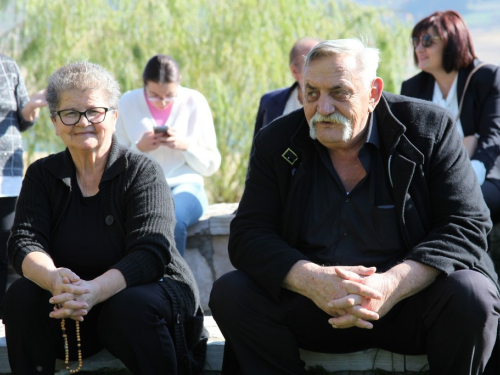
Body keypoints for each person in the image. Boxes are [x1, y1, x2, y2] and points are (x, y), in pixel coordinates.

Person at [209, 39, 500, 374]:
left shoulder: (430, 129)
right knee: (232, 293)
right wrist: (313, 279)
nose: (323, 108)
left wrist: (391, 284)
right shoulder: (276, 142)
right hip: (315, 306)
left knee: (471, 294)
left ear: (373, 93)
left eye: (339, 92)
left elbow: (466, 225)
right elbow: (248, 234)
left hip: (410, 303)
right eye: (312, 92)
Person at [3, 62, 206, 375]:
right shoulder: (42, 175)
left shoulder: (142, 172)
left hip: (146, 295)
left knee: (128, 306)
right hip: (73, 306)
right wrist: (54, 278)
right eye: (70, 113)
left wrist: (92, 291)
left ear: (114, 115)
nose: (83, 122)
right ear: (55, 122)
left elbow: (151, 252)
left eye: (94, 111)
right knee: (21, 296)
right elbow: (24, 243)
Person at [115, 55, 221, 256]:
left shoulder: (195, 101)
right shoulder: (128, 102)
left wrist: (185, 146)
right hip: (143, 185)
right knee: (131, 224)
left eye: (170, 95)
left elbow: (211, 165)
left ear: (179, 81)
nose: (162, 102)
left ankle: (174, 283)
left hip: (187, 184)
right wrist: (139, 148)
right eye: (154, 95)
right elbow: (114, 162)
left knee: (174, 220)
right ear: (144, 84)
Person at [401, 10, 500, 224]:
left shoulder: (487, 77)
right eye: (416, 41)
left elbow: (493, 136)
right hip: (434, 179)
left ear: (453, 41)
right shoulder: (412, 87)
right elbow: (408, 145)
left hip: (487, 173)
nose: (419, 48)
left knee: (460, 204)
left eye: (427, 40)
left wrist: (466, 178)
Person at [0, 54, 47, 319]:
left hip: (7, 172)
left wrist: (33, 105)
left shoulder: (9, 66)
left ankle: (3, 316)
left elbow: (23, 119)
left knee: (4, 249)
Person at [250, 37, 321, 156]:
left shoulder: (333, 104)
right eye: (312, 64)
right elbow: (257, 153)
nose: (321, 71)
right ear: (295, 72)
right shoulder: (270, 102)